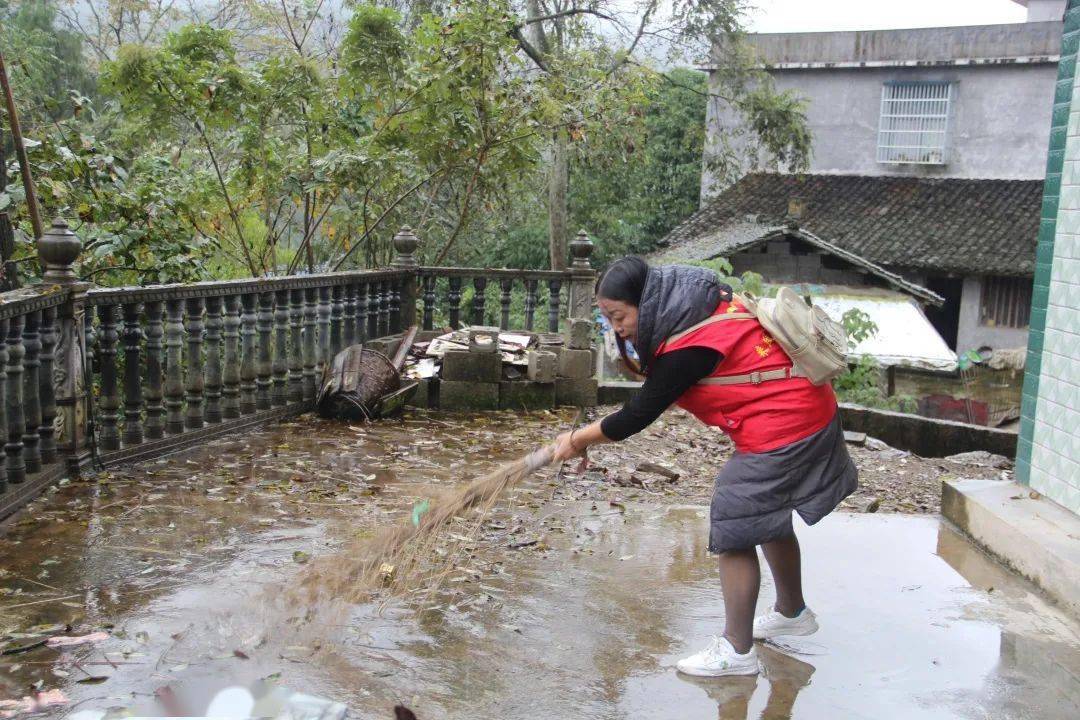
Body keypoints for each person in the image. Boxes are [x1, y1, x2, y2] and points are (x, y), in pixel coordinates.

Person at [552, 257, 858, 677]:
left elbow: (636, 415)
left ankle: (736, 652)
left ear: (647, 302)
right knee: (762, 514)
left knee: (735, 515)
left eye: (619, 316)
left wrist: (576, 439)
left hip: (786, 424)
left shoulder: (690, 344)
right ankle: (791, 612)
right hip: (807, 409)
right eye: (607, 319)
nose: (616, 329)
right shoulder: (699, 307)